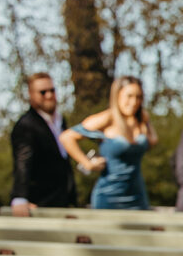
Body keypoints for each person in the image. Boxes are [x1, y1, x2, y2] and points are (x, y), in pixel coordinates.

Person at [60, 75, 157, 210]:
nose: (134, 102)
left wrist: (146, 120)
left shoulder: (139, 120)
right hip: (109, 196)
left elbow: (153, 141)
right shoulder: (107, 119)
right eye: (129, 96)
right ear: (117, 96)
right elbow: (66, 137)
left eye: (138, 97)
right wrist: (87, 163)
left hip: (137, 196)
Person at [9, 72, 76, 216]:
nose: (49, 95)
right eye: (43, 92)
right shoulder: (26, 125)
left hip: (64, 202)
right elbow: (23, 162)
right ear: (31, 94)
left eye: (52, 90)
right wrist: (19, 197)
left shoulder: (60, 120)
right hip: (40, 204)